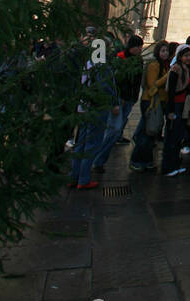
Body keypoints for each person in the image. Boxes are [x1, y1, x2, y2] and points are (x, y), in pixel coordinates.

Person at [69, 43, 120, 190]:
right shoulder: (103, 67)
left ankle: (74, 176)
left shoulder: (87, 64)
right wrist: (113, 103)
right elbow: (107, 87)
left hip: (83, 106)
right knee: (92, 143)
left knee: (80, 142)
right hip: (97, 108)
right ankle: (83, 179)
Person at [92, 35, 144, 172]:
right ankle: (97, 159)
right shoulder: (119, 58)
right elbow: (114, 81)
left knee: (115, 130)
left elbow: (137, 80)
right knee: (113, 130)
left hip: (130, 98)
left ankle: (98, 159)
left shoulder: (139, 60)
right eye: (138, 46)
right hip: (119, 99)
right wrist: (116, 99)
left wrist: (134, 97)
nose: (140, 49)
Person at [130, 40, 172, 171]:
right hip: (150, 102)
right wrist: (168, 76)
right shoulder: (154, 65)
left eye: (167, 51)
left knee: (151, 133)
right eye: (163, 51)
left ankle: (146, 161)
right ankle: (136, 161)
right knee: (146, 133)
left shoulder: (165, 65)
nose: (165, 53)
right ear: (157, 52)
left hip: (159, 102)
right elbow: (152, 84)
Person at [161, 44, 190, 177]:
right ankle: (167, 167)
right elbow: (170, 92)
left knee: (178, 136)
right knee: (171, 137)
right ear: (180, 57)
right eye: (186, 56)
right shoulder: (175, 69)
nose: (188, 58)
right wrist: (169, 111)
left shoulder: (187, 69)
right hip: (175, 106)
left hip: (183, 106)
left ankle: (175, 164)